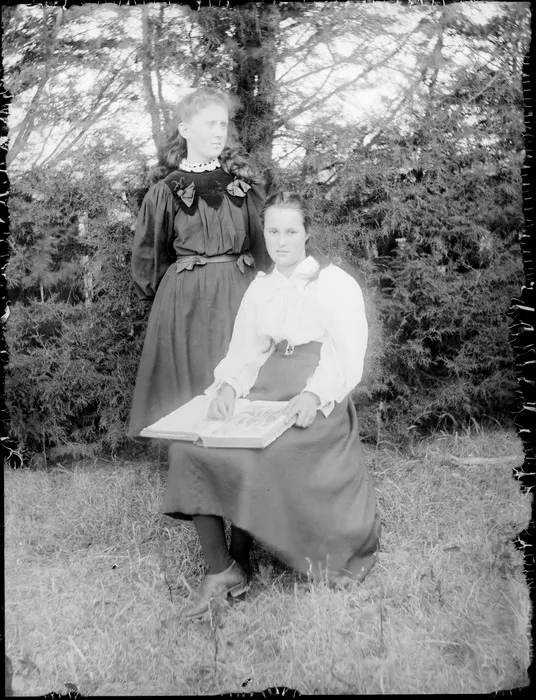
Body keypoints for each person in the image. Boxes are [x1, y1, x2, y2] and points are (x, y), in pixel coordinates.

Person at [162, 190, 382, 619]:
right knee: (187, 449)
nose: (280, 241)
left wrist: (314, 394)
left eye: (290, 231)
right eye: (272, 231)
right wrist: (227, 387)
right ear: (263, 233)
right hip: (263, 393)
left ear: (307, 233)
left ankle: (244, 550)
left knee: (259, 458)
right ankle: (222, 567)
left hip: (317, 400)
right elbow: (246, 350)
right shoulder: (261, 287)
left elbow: (346, 353)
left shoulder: (333, 283)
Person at [128, 87, 269, 437]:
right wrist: (172, 299)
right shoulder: (166, 191)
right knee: (191, 376)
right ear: (186, 130)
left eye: (222, 124)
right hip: (186, 301)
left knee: (236, 369)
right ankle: (191, 457)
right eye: (209, 124)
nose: (219, 131)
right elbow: (149, 258)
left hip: (239, 292)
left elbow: (265, 246)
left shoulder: (243, 187)